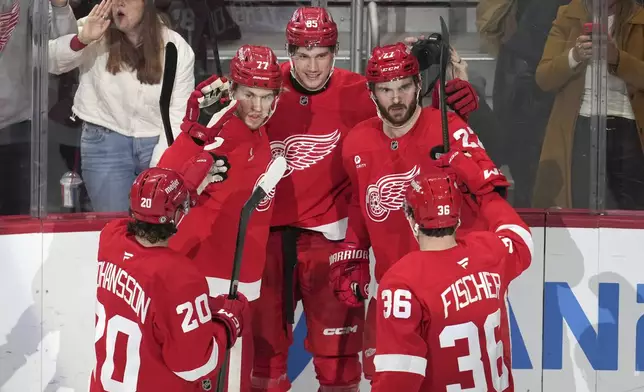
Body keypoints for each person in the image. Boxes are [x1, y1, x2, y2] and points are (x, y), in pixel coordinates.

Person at [251, 7, 481, 391]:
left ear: (336, 51)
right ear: (287, 52)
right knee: (263, 361)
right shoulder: (263, 90)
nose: (311, 67)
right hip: (270, 240)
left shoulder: (362, 91)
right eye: (303, 55)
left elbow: (410, 123)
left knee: (338, 362)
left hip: (331, 241)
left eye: (321, 55)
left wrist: (453, 111)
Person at [330, 42, 493, 383]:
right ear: (372, 93)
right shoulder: (358, 141)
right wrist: (353, 252)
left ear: (419, 84)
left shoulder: (448, 129)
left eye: (404, 87)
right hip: (393, 292)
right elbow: (361, 203)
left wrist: (473, 128)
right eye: (385, 90)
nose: (396, 98)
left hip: (446, 292)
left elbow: (492, 191)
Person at [156, 44, 281, 392]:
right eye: (249, 95)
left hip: (240, 283)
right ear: (233, 90)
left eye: (266, 96)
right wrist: (193, 136)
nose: (257, 107)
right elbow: (163, 181)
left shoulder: (259, 131)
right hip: (207, 283)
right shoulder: (214, 133)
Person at [371, 150, 533, 391]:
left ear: (411, 218)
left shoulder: (402, 282)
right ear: (457, 218)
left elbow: (398, 378)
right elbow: (520, 237)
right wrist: (486, 194)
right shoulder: (489, 251)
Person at [91, 161, 249, 392]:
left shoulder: (110, 239)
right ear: (176, 215)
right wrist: (226, 324)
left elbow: (144, 220)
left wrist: (183, 196)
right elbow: (195, 366)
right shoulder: (179, 276)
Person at [48, 0, 195, 212]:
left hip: (156, 142)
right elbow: (49, 61)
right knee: (114, 227)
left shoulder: (176, 47)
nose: (119, 3)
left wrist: (158, 168)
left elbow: (178, 115)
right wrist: (82, 40)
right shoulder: (95, 30)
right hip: (104, 144)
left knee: (154, 226)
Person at [0, 0, 78, 216]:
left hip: (16, 126)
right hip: (18, 122)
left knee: (15, 219)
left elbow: (64, 45)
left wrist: (60, 5)